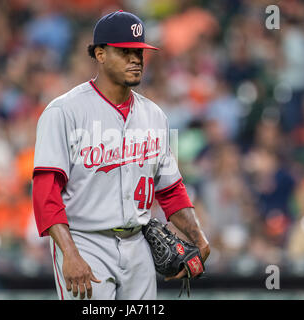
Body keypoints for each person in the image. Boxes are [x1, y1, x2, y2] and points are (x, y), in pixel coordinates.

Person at [32, 10, 210, 300]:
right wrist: (70, 254)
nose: (136, 60)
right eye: (125, 51)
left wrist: (198, 237)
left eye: (139, 52)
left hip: (138, 243)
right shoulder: (64, 112)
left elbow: (170, 189)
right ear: (100, 54)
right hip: (85, 241)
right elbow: (45, 193)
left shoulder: (155, 116)